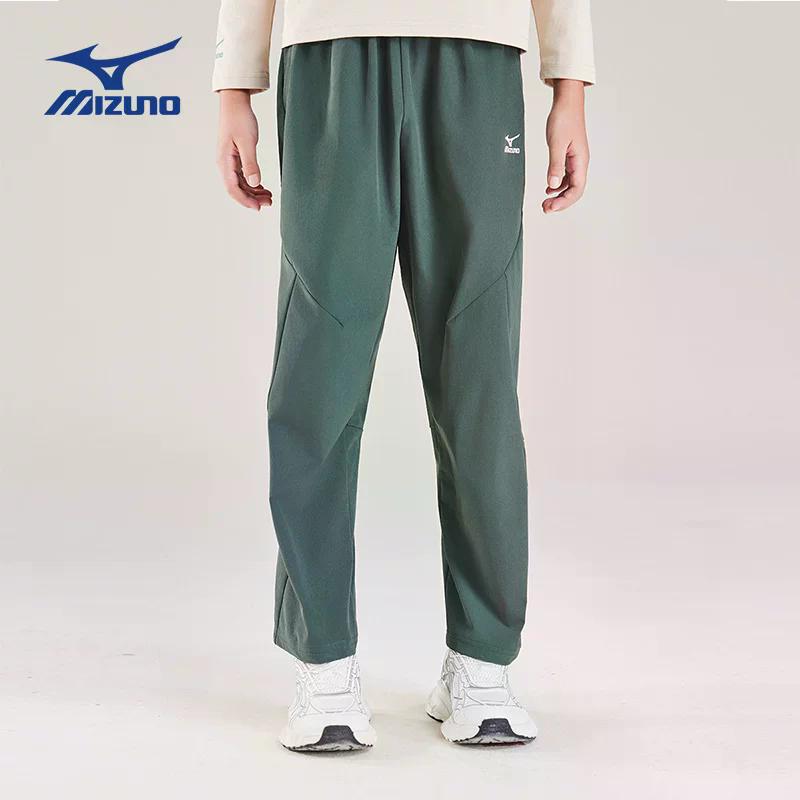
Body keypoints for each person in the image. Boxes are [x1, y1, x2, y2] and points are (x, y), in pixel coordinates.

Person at [213, 0, 595, 752]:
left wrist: (570, 86)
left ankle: (482, 661)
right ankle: (325, 662)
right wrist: (234, 86)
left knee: (479, 376)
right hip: (331, 55)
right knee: (319, 370)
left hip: (477, 55)